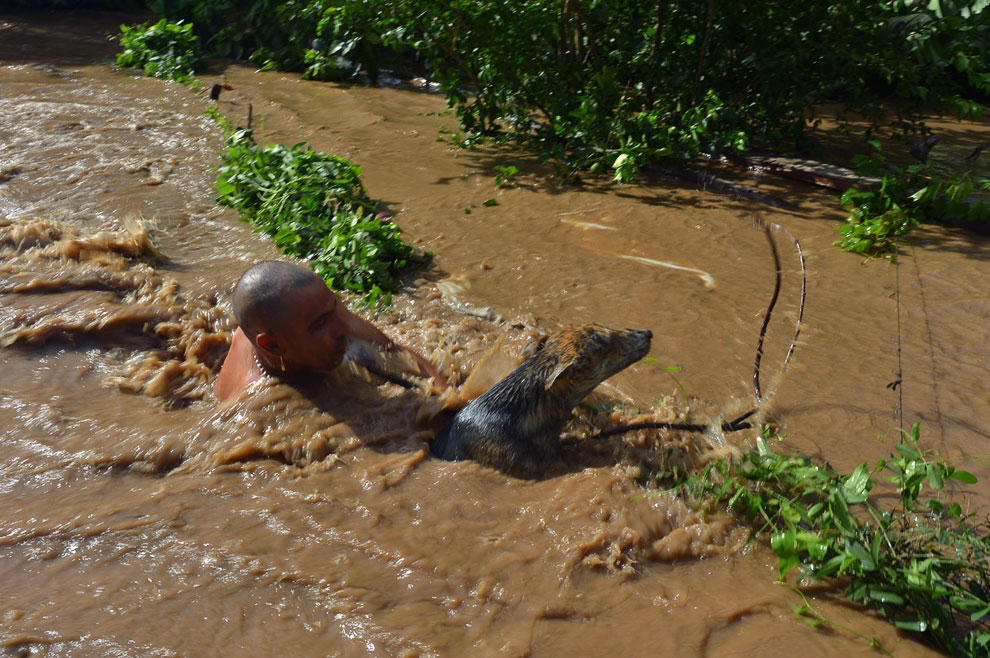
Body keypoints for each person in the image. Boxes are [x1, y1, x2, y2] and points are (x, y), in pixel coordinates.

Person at [214, 260, 446, 402]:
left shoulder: (313, 307)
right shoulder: (256, 402)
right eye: (321, 324)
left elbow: (394, 353)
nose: (345, 327)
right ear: (274, 346)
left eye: (335, 308)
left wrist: (449, 397)